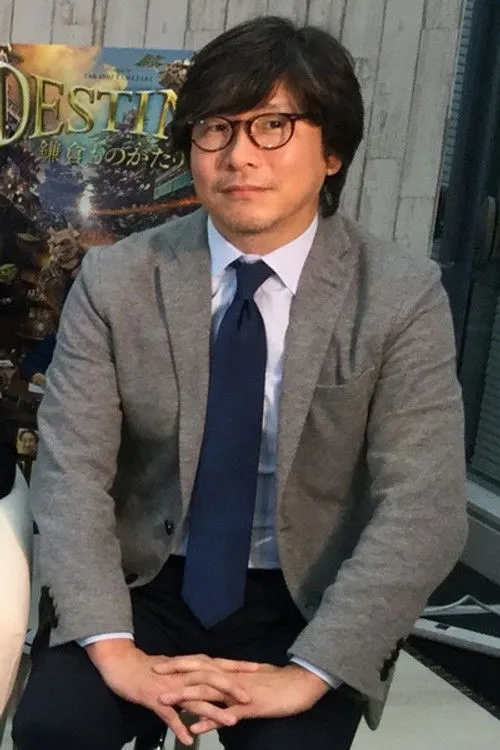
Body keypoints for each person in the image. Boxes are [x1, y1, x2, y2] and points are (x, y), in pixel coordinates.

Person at [13, 15, 468, 750]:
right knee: (56, 727)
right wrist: (114, 649)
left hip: (305, 594)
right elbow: (71, 474)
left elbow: (425, 507)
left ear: (333, 151)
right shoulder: (117, 279)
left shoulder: (399, 295)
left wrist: (310, 673)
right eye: (215, 129)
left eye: (273, 126)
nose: (239, 156)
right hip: (143, 582)